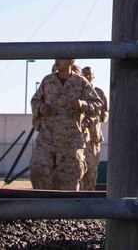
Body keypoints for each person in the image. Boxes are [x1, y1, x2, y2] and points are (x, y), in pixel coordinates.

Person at [29, 58, 102, 190]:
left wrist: (82, 104)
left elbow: (97, 105)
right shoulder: (48, 81)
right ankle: (43, 207)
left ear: (71, 61)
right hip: (47, 138)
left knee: (69, 178)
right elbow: (35, 101)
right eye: (56, 58)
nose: (57, 61)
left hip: (70, 140)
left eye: (61, 58)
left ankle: (67, 209)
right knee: (38, 169)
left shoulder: (80, 83)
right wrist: (41, 107)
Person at [79, 66, 109, 190]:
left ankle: (88, 196)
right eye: (84, 74)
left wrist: (98, 118)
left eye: (89, 74)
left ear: (93, 76)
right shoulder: (78, 91)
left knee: (91, 170)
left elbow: (105, 112)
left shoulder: (99, 92)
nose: (87, 76)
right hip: (80, 136)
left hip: (93, 138)